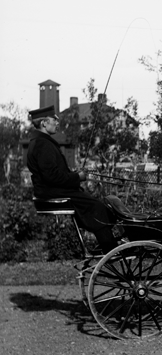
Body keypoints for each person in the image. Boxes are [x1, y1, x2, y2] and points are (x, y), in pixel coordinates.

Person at [26, 106, 119, 253]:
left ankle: (108, 245)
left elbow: (52, 173)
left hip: (50, 190)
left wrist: (72, 174)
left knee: (96, 205)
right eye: (54, 120)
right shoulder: (43, 144)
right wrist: (77, 177)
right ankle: (110, 249)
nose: (57, 123)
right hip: (52, 191)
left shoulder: (38, 142)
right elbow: (52, 177)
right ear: (44, 123)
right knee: (97, 207)